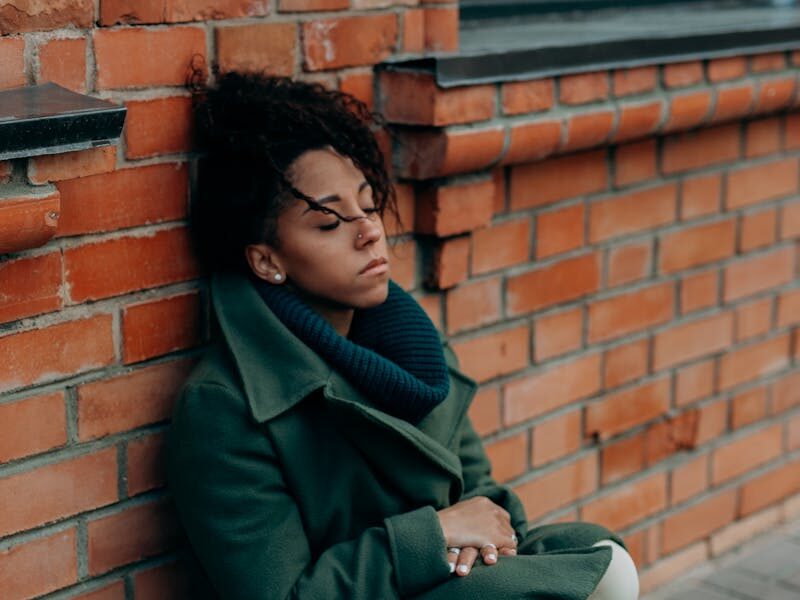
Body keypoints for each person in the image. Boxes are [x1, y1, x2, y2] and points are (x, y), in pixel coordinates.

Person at [165, 71, 640, 600]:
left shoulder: (413, 351)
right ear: (267, 260)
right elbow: (280, 595)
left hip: (436, 580)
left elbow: (478, 492)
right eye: (329, 223)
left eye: (367, 206)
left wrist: (476, 535)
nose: (369, 230)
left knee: (603, 556)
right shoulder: (227, 408)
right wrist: (432, 537)